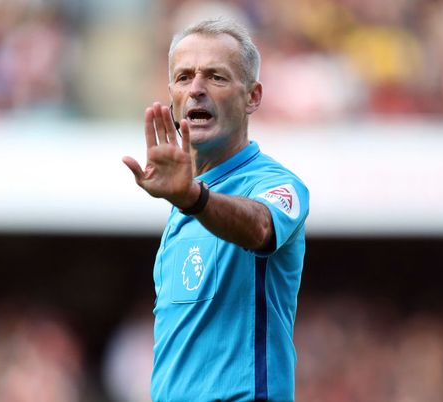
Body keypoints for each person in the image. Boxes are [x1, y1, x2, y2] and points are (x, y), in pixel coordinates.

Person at [123, 18, 309, 402]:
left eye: (216, 77)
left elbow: (259, 227)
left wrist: (196, 199)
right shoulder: (180, 208)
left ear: (253, 96)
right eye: (184, 77)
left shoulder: (276, 184)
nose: (196, 90)